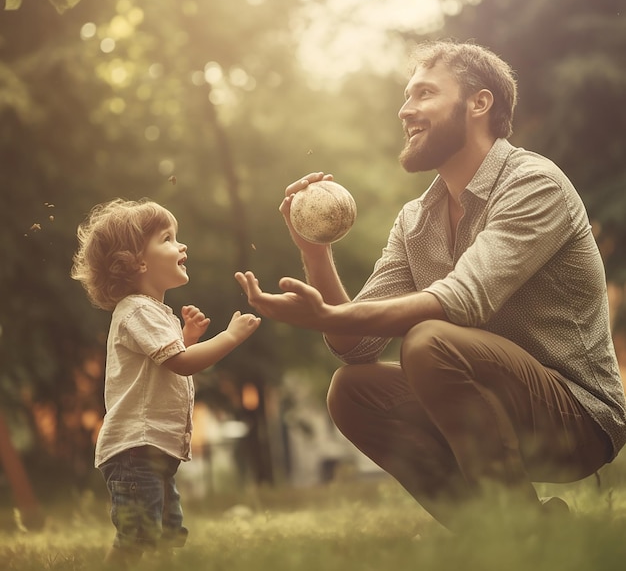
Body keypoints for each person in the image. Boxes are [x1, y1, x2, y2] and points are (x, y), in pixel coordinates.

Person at [235, 40, 626, 531]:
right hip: (482, 402)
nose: (405, 110)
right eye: (406, 96)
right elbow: (354, 345)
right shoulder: (416, 219)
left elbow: (462, 300)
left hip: (576, 417)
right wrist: (315, 252)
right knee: (352, 390)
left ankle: (513, 531)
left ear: (478, 103)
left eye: (423, 93)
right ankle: (508, 534)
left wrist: (330, 315)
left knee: (429, 339)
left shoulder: (534, 183)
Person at [71, 198, 260, 566]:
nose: (181, 246)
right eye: (168, 238)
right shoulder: (137, 309)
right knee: (137, 537)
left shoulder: (155, 313)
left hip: (150, 450)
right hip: (135, 450)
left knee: (166, 532)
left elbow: (162, 364)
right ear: (139, 261)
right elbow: (181, 365)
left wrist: (186, 337)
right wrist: (229, 337)